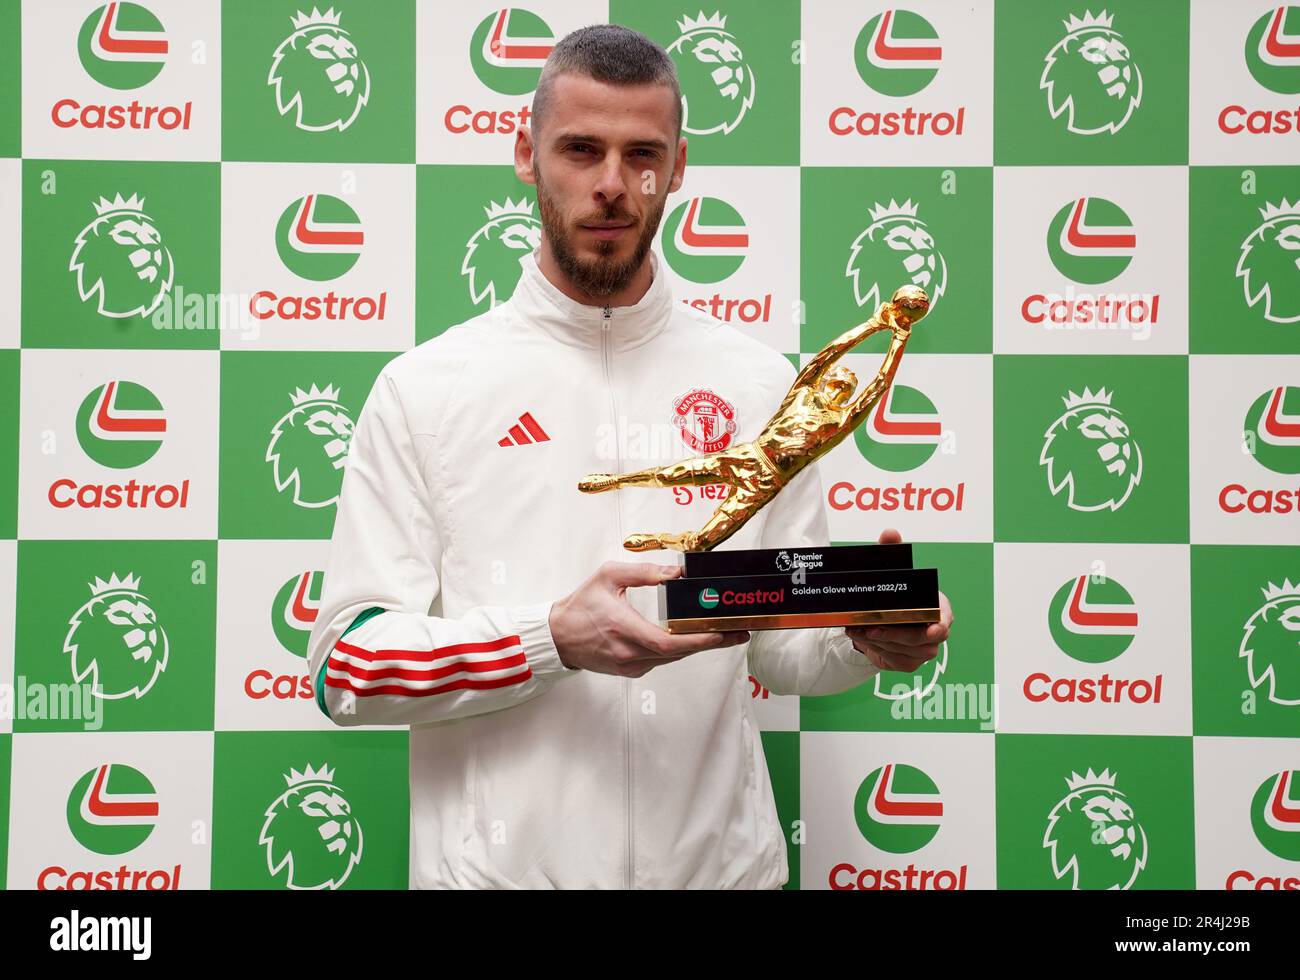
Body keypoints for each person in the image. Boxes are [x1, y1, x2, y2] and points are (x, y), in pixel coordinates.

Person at [306, 23, 953, 889]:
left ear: (677, 166)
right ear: (526, 155)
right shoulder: (426, 389)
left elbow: (777, 648)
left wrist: (869, 636)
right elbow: (348, 667)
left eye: (640, 153)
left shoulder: (758, 380)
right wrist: (548, 641)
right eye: (580, 149)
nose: (612, 185)